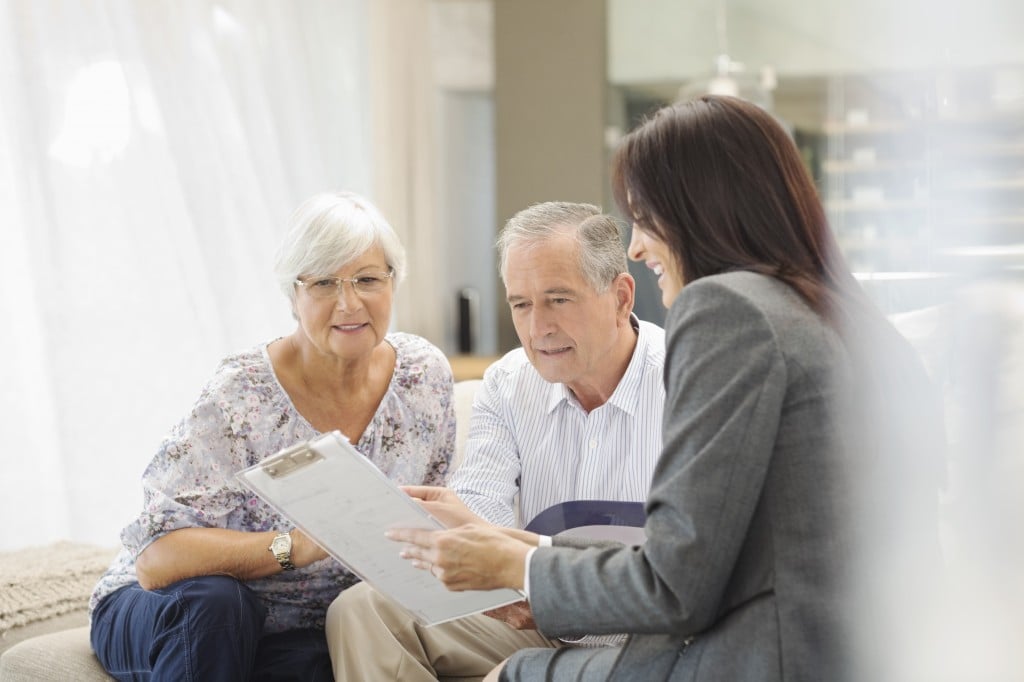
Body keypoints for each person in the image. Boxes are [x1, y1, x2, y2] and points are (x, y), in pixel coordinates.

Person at [388, 95, 944, 681]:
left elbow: (677, 585)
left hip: (757, 660)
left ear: (699, 208)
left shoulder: (729, 312)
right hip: (838, 656)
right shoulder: (832, 317)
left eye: (643, 216)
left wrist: (520, 566)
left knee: (516, 673)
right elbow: (711, 553)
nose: (635, 244)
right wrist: (528, 555)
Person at [88, 190, 455, 681]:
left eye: (367, 279)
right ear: (293, 295)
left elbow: (429, 523)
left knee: (329, 654)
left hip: (298, 627)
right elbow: (157, 561)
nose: (349, 303)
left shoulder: (422, 377)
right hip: (168, 607)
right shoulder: (240, 394)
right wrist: (293, 546)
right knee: (219, 607)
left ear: (393, 283)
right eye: (323, 283)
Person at [325, 202, 666, 680]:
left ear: (621, 297)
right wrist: (462, 535)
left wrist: (529, 568)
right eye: (521, 304)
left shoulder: (688, 380)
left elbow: (684, 568)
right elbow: (481, 512)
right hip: (542, 619)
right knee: (363, 608)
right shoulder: (508, 383)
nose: (536, 328)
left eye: (558, 300)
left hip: (653, 632)